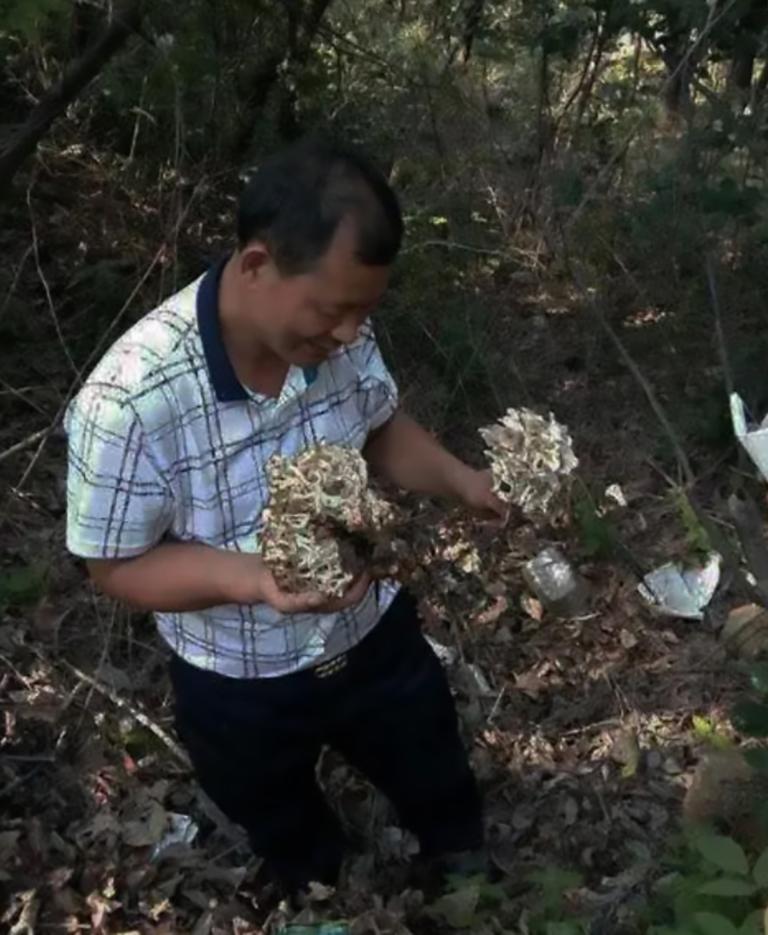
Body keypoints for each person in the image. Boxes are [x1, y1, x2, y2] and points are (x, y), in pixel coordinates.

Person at [63, 138, 505, 894]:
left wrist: (463, 481)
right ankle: (313, 881)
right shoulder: (131, 401)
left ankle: (458, 858)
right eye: (332, 311)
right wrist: (255, 578)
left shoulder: (342, 342)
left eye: (362, 313)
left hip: (369, 631)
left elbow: (378, 428)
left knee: (428, 750)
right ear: (258, 265)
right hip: (238, 675)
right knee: (271, 803)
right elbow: (114, 564)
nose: (345, 335)